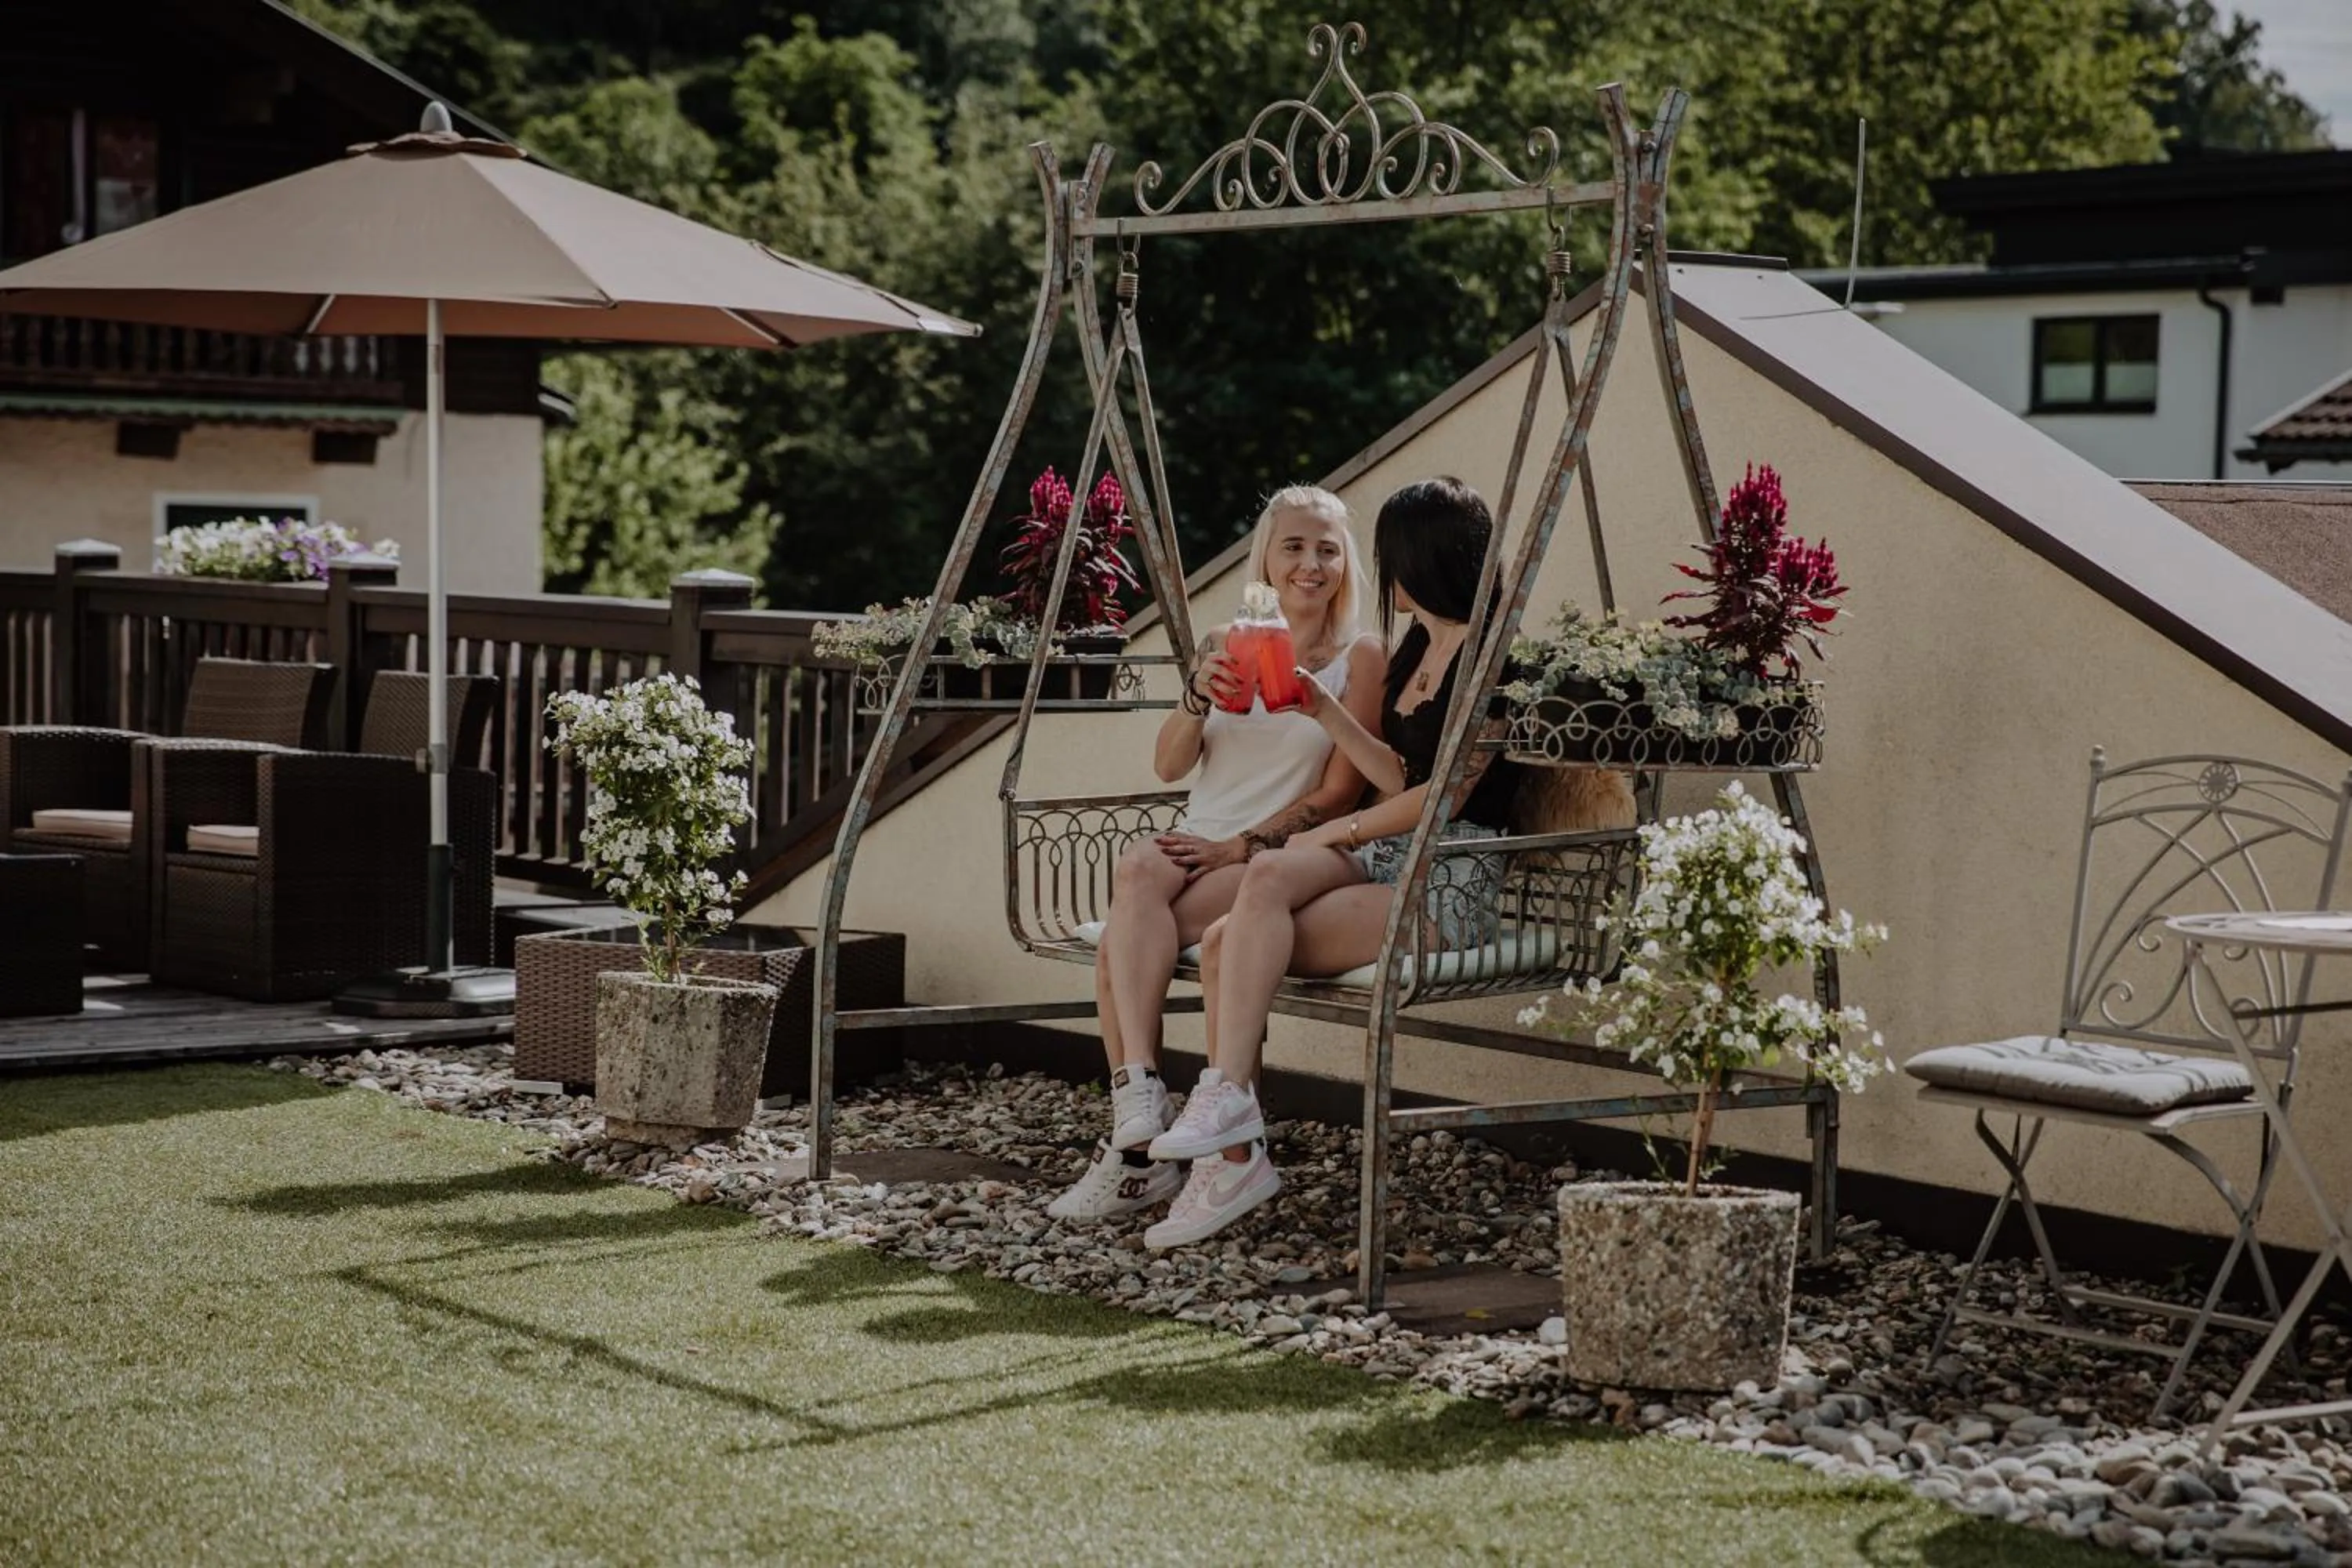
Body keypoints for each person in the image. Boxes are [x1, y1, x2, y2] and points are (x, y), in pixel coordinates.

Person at [1143, 476, 1521, 1249]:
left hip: (1443, 877)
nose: (1379, 574)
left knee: (1226, 942)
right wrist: (1324, 708)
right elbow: (1391, 773)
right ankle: (1231, 1118)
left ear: (1422, 560)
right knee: (1261, 886)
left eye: (1385, 557)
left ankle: (1233, 1150)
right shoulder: (1418, 644)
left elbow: (1440, 801)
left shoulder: (1494, 661)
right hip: (1387, 852)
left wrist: (1334, 834)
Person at [1047, 485, 1386, 1220]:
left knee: (1118, 946)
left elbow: (1338, 796)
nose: (1310, 563)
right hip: (1196, 840)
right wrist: (1194, 698)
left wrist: (1241, 845)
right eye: (1293, 546)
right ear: (1265, 555)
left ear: (1345, 563)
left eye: (1327, 549)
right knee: (1138, 866)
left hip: (1277, 851)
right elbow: (1170, 768)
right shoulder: (1225, 641)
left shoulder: (1359, 657)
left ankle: (1139, 1148)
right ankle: (1144, 1099)